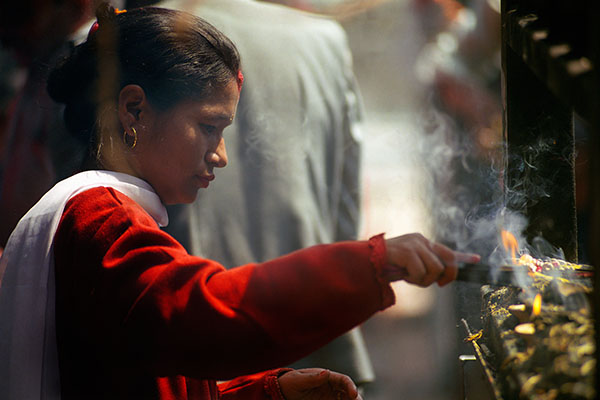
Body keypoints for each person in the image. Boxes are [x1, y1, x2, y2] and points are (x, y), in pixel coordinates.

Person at [0, 4, 480, 400]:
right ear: (134, 109)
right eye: (209, 127)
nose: (221, 156)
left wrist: (271, 392)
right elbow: (205, 317)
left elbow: (157, 382)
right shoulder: (98, 219)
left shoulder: (113, 214)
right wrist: (372, 262)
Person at [148, 0, 374, 385]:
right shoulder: (324, 40)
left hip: (196, 345)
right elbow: (345, 206)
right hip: (308, 333)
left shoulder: (147, 33)